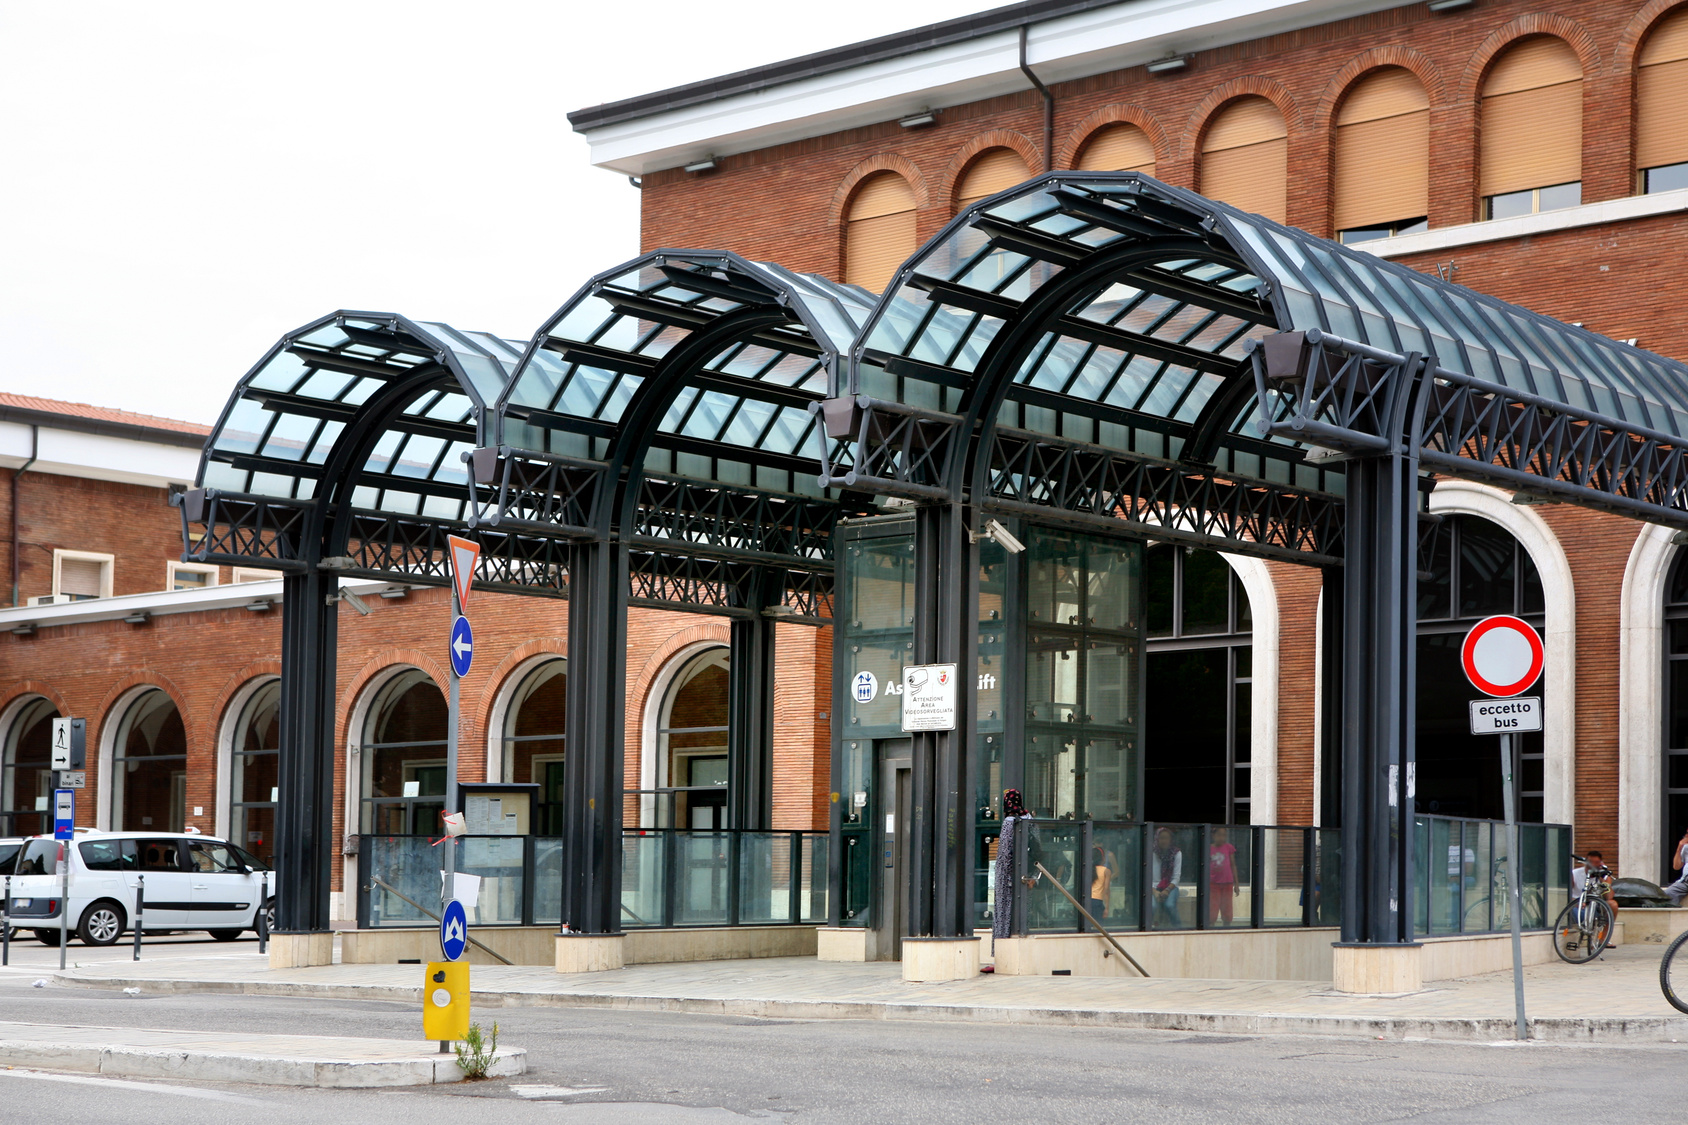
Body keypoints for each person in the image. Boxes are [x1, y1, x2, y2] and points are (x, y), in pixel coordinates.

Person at [1572, 849, 1619, 918]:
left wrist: (1603, 880)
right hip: (1577, 905)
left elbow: (1609, 897)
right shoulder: (1574, 874)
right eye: (1590, 862)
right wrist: (1576, 902)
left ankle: (1606, 929)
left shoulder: (1603, 876)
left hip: (1595, 906)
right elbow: (1566, 894)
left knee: (1613, 905)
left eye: (1596, 862)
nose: (1593, 865)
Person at [1150, 827, 1182, 928]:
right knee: (1152, 906)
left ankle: (1178, 928)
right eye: (1161, 838)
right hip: (1153, 887)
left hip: (1171, 886)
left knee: (1170, 905)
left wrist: (1167, 890)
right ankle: (1147, 928)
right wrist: (1154, 891)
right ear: (1157, 839)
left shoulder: (1177, 853)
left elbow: (1176, 877)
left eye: (1167, 838)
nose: (1164, 841)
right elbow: (1147, 877)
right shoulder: (1151, 853)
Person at [1209, 825, 1239, 927]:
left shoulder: (1228, 847)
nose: (1221, 838)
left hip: (1227, 883)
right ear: (1213, 835)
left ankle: (1226, 928)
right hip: (1213, 884)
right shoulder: (1209, 849)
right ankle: (1210, 928)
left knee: (1227, 909)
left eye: (1224, 835)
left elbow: (1233, 865)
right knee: (1212, 910)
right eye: (1219, 835)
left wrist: (1237, 884)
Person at [1089, 843, 1112, 922]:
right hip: (1097, 901)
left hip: (1086, 901)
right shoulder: (1106, 871)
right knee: (1098, 927)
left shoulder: (1088, 869)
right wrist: (1107, 908)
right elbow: (1106, 890)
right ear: (1103, 858)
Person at [1666, 829, 1688, 906]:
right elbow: (1676, 867)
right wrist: (1679, 848)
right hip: (1685, 881)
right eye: (1687, 833)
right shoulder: (1685, 848)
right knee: (1668, 894)